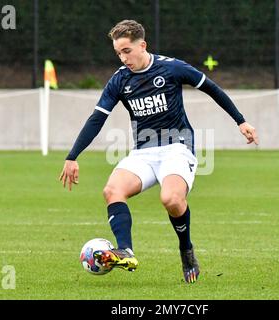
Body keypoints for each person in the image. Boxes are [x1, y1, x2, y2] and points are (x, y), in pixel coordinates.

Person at [59, 19, 259, 284]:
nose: (123, 57)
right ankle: (126, 251)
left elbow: (212, 89)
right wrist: (73, 156)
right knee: (112, 191)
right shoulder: (119, 80)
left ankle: (186, 249)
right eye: (118, 52)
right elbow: (97, 118)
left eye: (127, 50)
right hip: (143, 152)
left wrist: (241, 121)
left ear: (142, 45)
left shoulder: (172, 68)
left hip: (178, 148)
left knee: (171, 200)